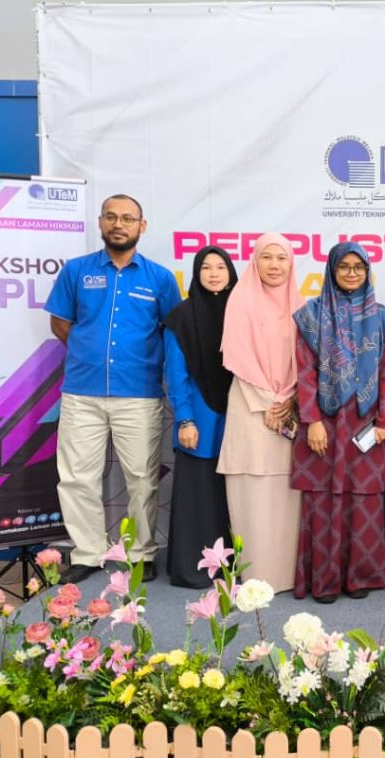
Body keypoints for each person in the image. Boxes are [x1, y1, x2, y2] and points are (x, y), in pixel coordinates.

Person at [46, 194, 182, 584]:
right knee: (77, 477)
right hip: (82, 393)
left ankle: (141, 553)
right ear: (101, 222)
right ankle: (87, 553)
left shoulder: (160, 279)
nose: (118, 224)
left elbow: (172, 333)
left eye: (127, 218)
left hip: (139, 394)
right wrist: (90, 354)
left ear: (142, 225)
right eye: (111, 217)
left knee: (141, 478)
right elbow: (60, 324)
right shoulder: (76, 271)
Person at [290, 242, 385, 603]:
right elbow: (305, 372)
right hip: (325, 420)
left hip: (366, 420)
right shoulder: (311, 314)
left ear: (367, 272)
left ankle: (359, 576)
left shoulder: (382, 317)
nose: (352, 273)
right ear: (331, 270)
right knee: (322, 499)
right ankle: (324, 579)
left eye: (359, 267)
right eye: (344, 267)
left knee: (364, 499)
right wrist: (312, 421)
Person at [217, 233, 305, 591]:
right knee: (253, 491)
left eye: (281, 258)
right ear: (255, 261)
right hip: (250, 406)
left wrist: (289, 399)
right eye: (267, 257)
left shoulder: (301, 305)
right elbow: (237, 356)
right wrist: (269, 401)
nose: (274, 265)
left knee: (287, 492)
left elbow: (307, 359)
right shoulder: (241, 301)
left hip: (291, 409)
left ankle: (286, 575)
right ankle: (255, 578)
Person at [161, 245, 238, 588]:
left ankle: (232, 565)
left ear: (231, 272)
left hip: (238, 416)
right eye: (206, 267)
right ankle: (195, 568)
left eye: (220, 267)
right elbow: (176, 375)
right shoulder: (180, 317)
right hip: (200, 419)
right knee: (200, 493)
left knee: (233, 494)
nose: (213, 273)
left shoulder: (242, 312)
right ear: (196, 273)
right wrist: (185, 420)